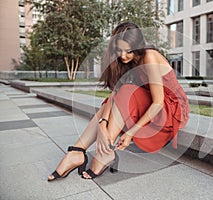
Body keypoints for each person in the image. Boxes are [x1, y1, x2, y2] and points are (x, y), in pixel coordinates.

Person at [48, 22, 190, 181]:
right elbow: (114, 95)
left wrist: (130, 132)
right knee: (119, 94)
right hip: (152, 102)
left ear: (137, 47)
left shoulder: (149, 56)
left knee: (127, 91)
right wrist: (102, 123)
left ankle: (102, 154)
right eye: (119, 50)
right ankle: (77, 151)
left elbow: (158, 102)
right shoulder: (127, 62)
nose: (123, 56)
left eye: (128, 51)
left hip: (171, 108)